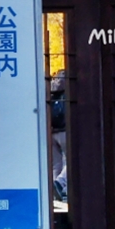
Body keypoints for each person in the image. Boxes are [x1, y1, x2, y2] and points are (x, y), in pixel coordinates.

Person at [50, 69, 67, 200]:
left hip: (52, 131)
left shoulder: (51, 89)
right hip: (65, 131)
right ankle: (59, 184)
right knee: (69, 162)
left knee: (56, 164)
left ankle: (54, 194)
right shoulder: (69, 87)